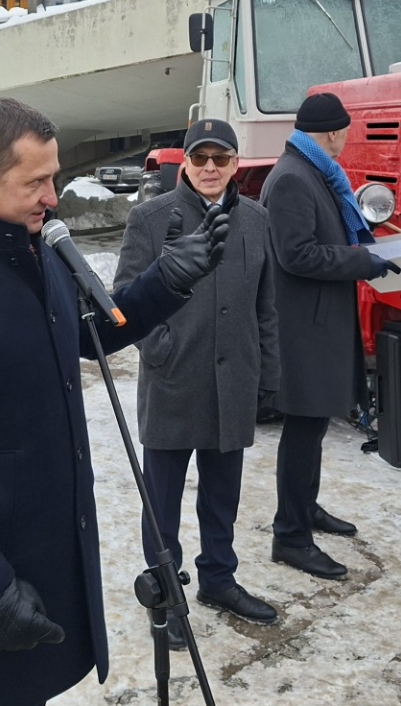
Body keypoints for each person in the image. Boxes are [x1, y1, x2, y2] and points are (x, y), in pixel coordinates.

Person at [0, 98, 229, 705]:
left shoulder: (35, 244)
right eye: (35, 181)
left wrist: (168, 280)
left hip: (44, 552)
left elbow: (90, 329)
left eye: (54, 175)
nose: (53, 195)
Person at [114, 118, 280, 650]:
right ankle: (164, 592)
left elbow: (266, 306)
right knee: (161, 498)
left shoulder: (256, 219)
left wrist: (268, 372)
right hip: (173, 381)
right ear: (184, 162)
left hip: (233, 381)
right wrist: (161, 349)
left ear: (235, 163)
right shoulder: (150, 218)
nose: (211, 168)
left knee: (221, 492)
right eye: (201, 157)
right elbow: (123, 303)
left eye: (222, 158)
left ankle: (219, 578)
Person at [260, 92, 397, 578]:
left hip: (315, 321)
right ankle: (290, 536)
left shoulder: (308, 171)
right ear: (335, 132)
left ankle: (306, 510)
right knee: (303, 429)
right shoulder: (294, 179)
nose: (347, 138)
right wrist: (360, 261)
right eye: (346, 131)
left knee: (313, 427)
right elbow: (296, 255)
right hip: (303, 328)